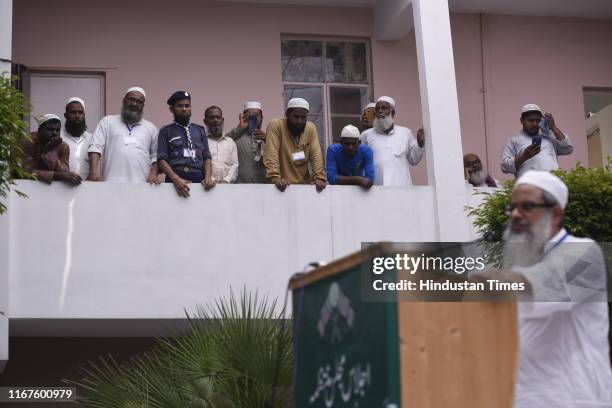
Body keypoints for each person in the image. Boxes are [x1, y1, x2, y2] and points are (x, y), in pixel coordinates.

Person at [477, 171, 612, 407]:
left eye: (527, 206)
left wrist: (489, 278)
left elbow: (544, 282)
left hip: (575, 399)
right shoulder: (525, 264)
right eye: (513, 208)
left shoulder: (585, 253)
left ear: (556, 213)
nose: (516, 215)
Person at [87, 87, 159, 183]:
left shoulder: (151, 128)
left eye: (139, 101)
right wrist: (93, 172)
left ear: (143, 105)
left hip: (141, 186)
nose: (134, 104)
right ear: (124, 100)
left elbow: (157, 156)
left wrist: (153, 175)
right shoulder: (107, 122)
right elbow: (95, 147)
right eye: (131, 100)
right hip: (110, 184)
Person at [157, 91, 215, 197]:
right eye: (179, 106)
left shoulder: (200, 130)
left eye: (187, 106)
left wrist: (208, 177)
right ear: (171, 109)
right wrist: (175, 179)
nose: (184, 109)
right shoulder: (165, 131)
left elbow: (207, 156)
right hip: (174, 180)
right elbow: (161, 159)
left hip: (199, 179)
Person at [263, 98, 326, 192]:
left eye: (303, 117)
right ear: (287, 115)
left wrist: (319, 178)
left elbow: (316, 154)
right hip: (280, 187)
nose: (299, 121)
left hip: (304, 187)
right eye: (296, 117)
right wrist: (275, 177)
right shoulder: (276, 126)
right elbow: (271, 154)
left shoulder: (310, 128)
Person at [361, 96, 425, 186]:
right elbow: (359, 161)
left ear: (392, 113)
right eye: (377, 109)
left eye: (384, 108)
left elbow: (413, 160)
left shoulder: (405, 132)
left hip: (402, 188)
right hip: (376, 189)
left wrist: (419, 144)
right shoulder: (366, 135)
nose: (380, 111)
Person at [501, 104, 573, 179]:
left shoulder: (548, 139)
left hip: (553, 186)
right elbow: (504, 167)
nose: (535, 124)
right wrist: (524, 156)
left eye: (538, 120)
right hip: (529, 188)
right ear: (522, 121)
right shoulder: (513, 141)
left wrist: (553, 127)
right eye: (530, 120)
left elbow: (568, 149)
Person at [21, 114, 82, 185]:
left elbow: (65, 171)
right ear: (40, 130)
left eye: (57, 130)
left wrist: (55, 160)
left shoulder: (63, 146)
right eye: (50, 129)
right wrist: (59, 175)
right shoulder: (29, 142)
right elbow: (26, 172)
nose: (54, 133)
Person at [224, 101, 267, 183]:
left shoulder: (268, 137)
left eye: (257, 115)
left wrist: (267, 139)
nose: (254, 117)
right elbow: (222, 144)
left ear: (262, 117)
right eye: (250, 115)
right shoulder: (236, 136)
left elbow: (283, 155)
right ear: (244, 116)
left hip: (263, 187)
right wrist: (239, 128)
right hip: (240, 187)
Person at [326, 124, 374, 189]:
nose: (350, 147)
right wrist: (358, 180)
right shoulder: (333, 150)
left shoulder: (366, 151)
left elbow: (370, 180)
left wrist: (342, 179)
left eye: (354, 144)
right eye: (347, 144)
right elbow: (331, 179)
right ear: (341, 142)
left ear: (359, 143)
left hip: (359, 192)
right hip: (338, 191)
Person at [204, 106, 238, 183]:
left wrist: (226, 180)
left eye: (218, 117)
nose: (215, 120)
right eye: (212, 118)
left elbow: (235, 165)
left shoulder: (230, 142)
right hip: (207, 187)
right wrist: (210, 180)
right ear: (205, 121)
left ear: (222, 120)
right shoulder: (202, 141)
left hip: (227, 187)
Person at [61, 97, 92, 179]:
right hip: (61, 187)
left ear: (84, 115)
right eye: (73, 112)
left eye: (80, 112)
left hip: (87, 188)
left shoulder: (91, 139)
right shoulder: (58, 137)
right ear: (66, 115)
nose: (77, 116)